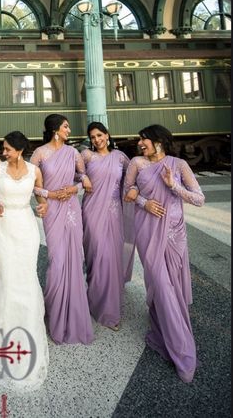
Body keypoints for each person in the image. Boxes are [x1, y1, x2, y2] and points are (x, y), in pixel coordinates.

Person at [123, 124, 205, 383]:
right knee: (161, 283)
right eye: (140, 140)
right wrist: (143, 202)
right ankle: (183, 350)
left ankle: (168, 332)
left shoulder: (179, 165)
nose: (140, 144)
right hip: (147, 230)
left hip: (174, 233)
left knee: (173, 287)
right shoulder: (136, 163)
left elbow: (199, 198)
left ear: (158, 141)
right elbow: (126, 192)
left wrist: (173, 186)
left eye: (143, 139)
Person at [0, 131, 49, 392]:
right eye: (3, 148)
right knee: (7, 275)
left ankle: (28, 326)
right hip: (3, 226)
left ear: (19, 150)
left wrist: (43, 206)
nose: (3, 152)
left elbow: (41, 197)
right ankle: (4, 326)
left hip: (27, 227)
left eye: (7, 149)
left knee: (26, 275)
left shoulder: (34, 170)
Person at [30, 114, 93, 345]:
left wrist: (75, 187)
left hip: (72, 208)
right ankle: (55, 311)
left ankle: (75, 313)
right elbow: (32, 185)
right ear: (56, 129)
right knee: (57, 259)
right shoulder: (40, 153)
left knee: (76, 256)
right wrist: (49, 196)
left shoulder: (74, 153)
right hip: (51, 209)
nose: (69, 130)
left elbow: (84, 178)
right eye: (66, 126)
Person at [81, 121, 133, 331]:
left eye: (100, 135)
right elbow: (74, 174)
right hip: (92, 212)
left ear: (107, 135)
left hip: (114, 212)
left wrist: (136, 191)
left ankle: (110, 309)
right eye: (93, 137)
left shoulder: (120, 157)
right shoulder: (86, 156)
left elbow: (134, 178)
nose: (97, 140)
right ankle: (95, 299)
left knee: (112, 256)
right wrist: (83, 177)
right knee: (97, 255)